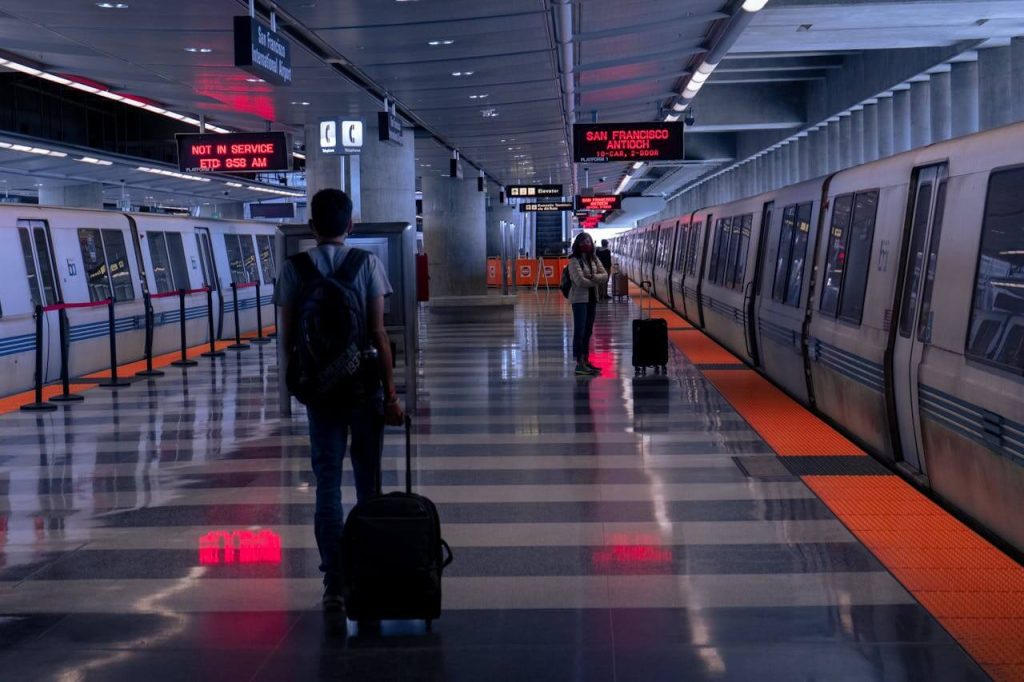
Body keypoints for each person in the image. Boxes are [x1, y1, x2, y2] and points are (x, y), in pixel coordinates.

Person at [274, 188, 405, 612]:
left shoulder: (294, 269)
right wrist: (391, 395)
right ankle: (367, 572)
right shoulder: (367, 264)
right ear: (350, 224)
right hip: (364, 390)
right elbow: (379, 334)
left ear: (311, 226)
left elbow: (288, 339)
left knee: (327, 485)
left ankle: (334, 581)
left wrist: (297, 384)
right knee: (368, 484)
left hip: (321, 395)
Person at [567, 232, 608, 375]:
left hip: (592, 299)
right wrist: (595, 280)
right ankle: (579, 363)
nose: (587, 244)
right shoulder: (574, 260)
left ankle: (586, 360)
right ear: (578, 244)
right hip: (579, 300)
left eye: (588, 241)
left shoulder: (594, 258)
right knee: (580, 330)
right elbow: (580, 281)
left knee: (588, 331)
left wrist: (592, 277)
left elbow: (605, 275)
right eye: (583, 242)